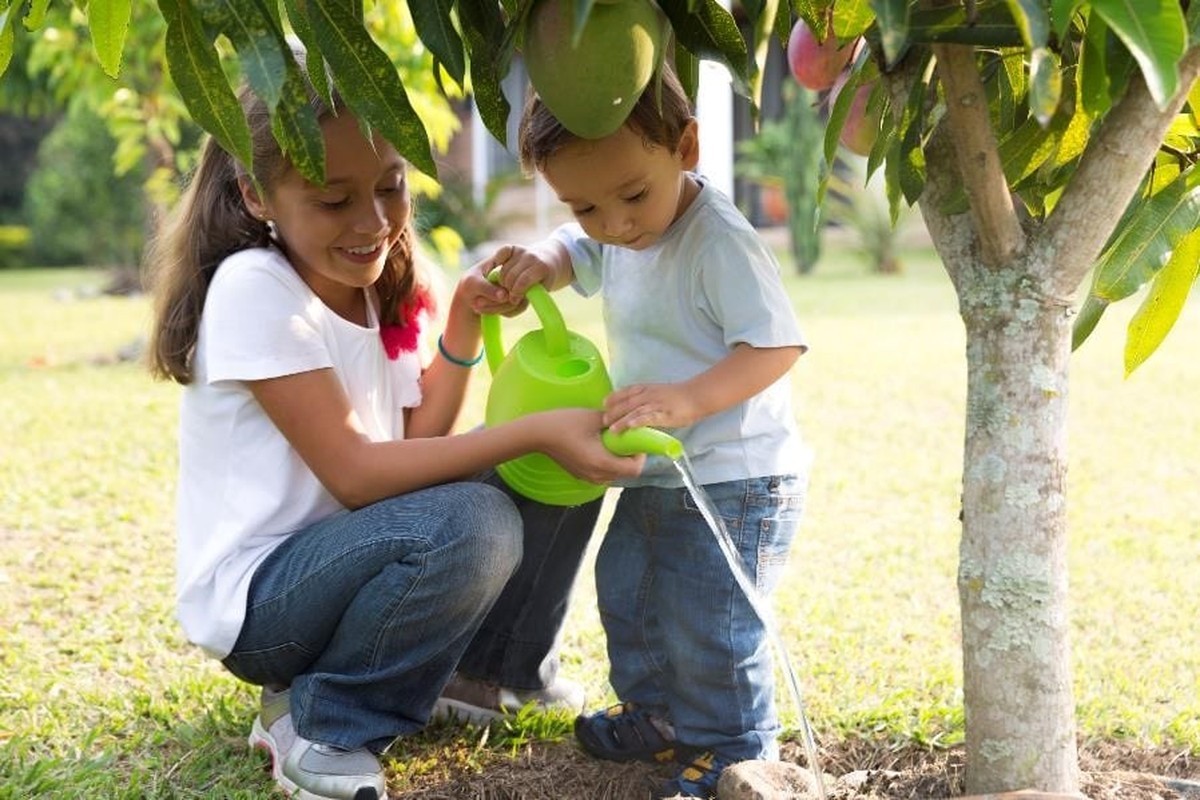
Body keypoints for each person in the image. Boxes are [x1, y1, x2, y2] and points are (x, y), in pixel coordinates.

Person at [144, 67, 644, 800]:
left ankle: (488, 676)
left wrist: (465, 320)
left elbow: (416, 443)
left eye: (390, 185)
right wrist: (531, 430)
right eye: (333, 199)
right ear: (256, 196)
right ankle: (324, 720)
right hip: (264, 601)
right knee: (476, 516)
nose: (374, 220)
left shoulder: (374, 288)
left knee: (550, 472)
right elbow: (356, 473)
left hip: (357, 559)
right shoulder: (257, 287)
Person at [481, 63, 811, 799]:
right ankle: (660, 714)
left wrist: (690, 400)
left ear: (687, 147)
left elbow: (776, 346)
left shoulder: (718, 241)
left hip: (735, 474)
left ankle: (734, 746)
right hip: (661, 466)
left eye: (632, 195)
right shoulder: (620, 228)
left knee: (708, 616)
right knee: (627, 588)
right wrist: (548, 257)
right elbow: (583, 246)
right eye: (586, 204)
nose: (617, 223)